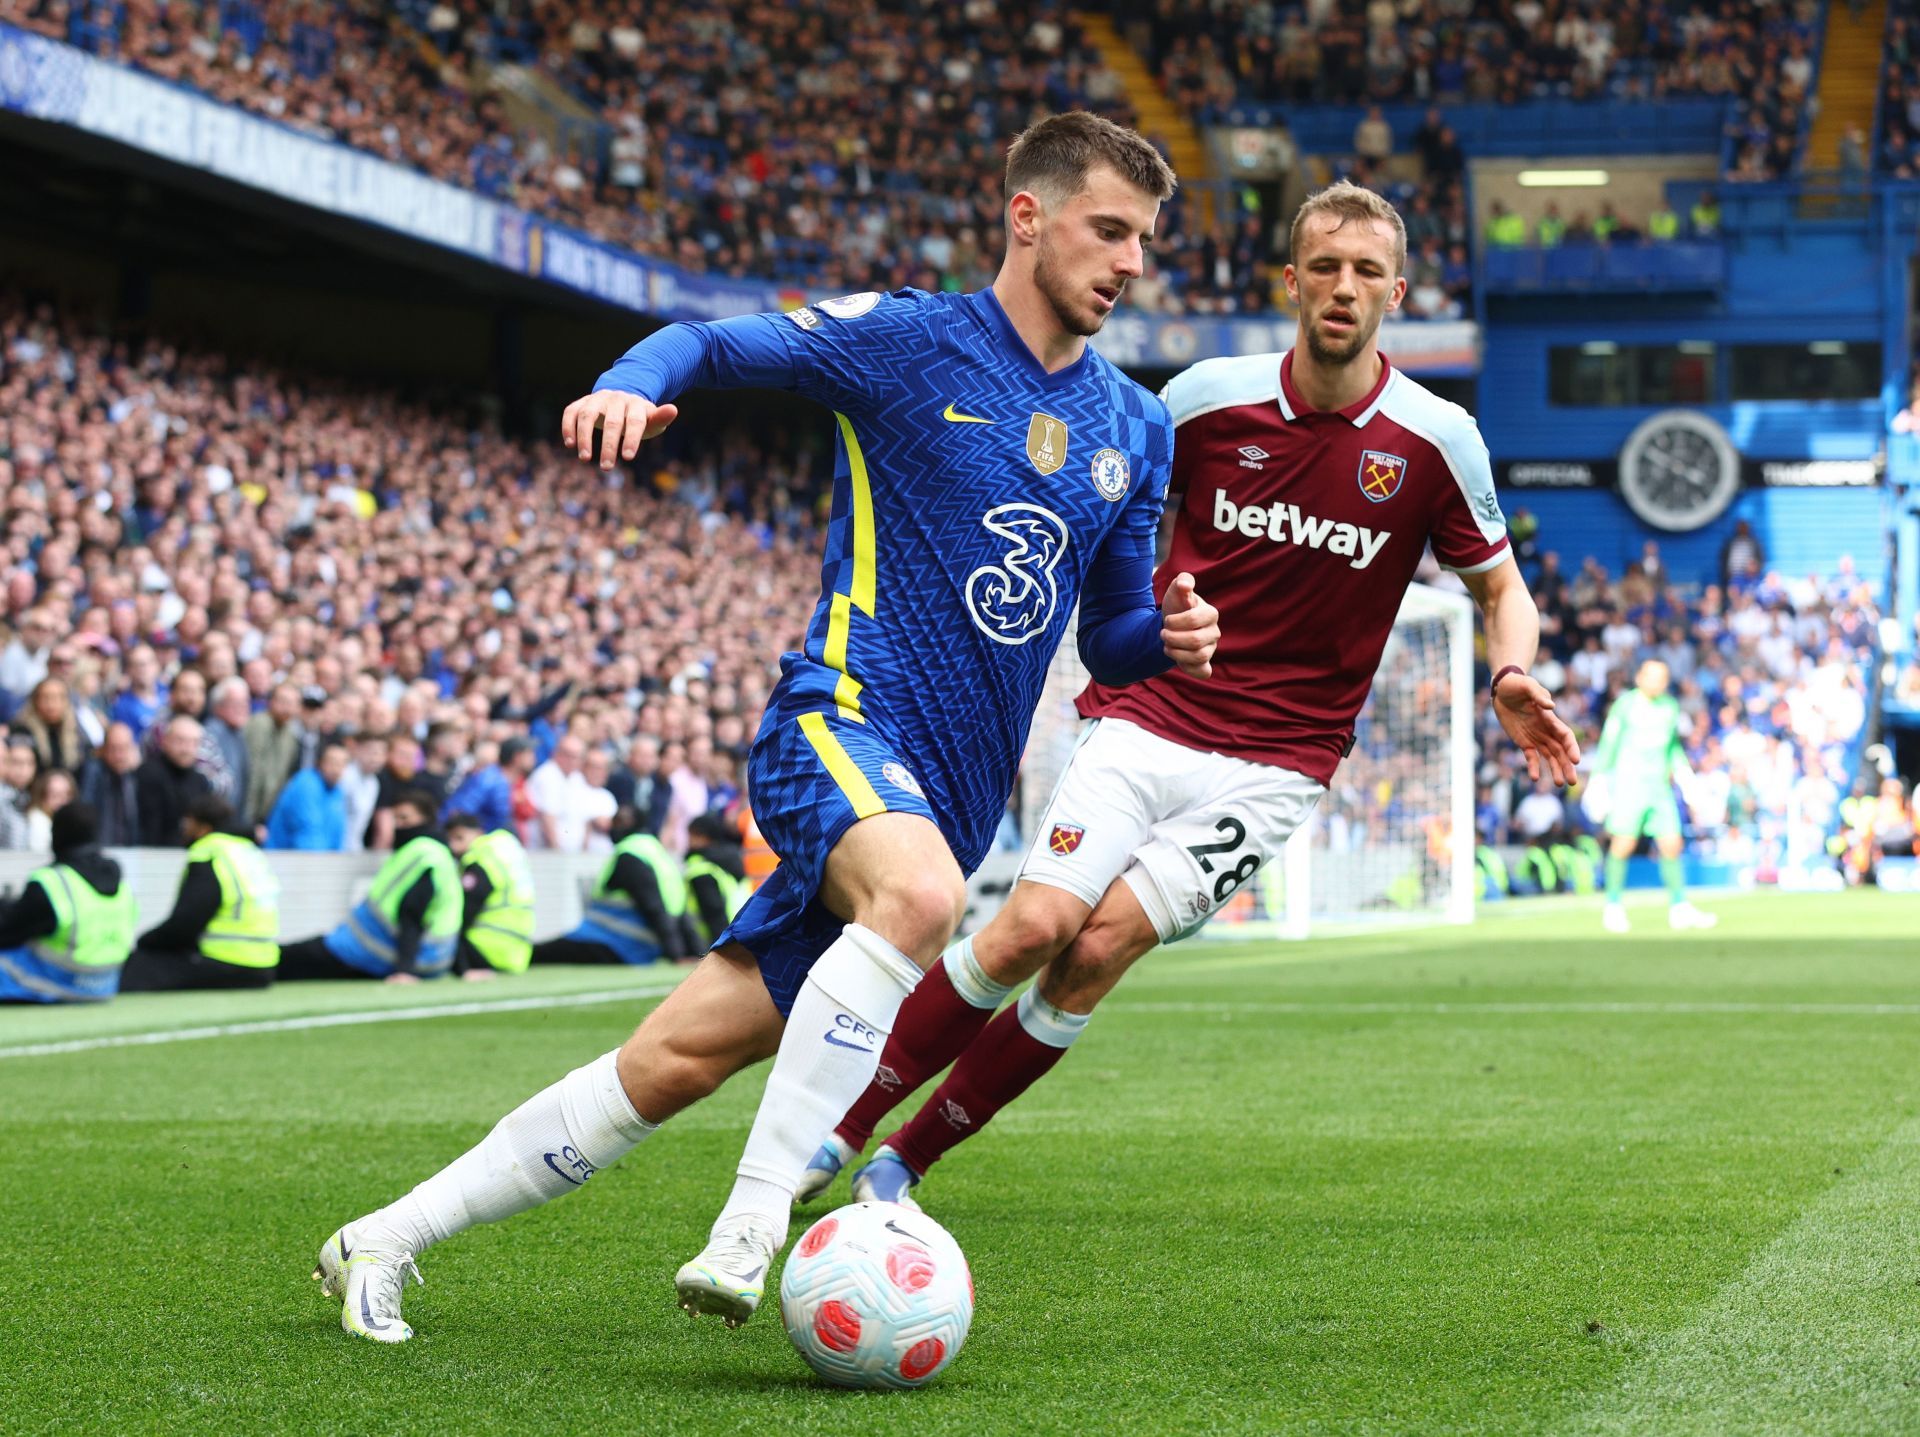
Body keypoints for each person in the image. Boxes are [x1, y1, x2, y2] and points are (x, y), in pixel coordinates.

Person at [312, 111, 1217, 1344]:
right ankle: (752, 1224)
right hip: (839, 718)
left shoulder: (1135, 425)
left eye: (1145, 242)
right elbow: (708, 343)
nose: (1129, 262)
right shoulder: (911, 342)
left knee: (673, 1061)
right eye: (1108, 230)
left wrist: (1162, 638)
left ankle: (383, 1239)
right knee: (924, 901)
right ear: (1027, 217)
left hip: (941, 802)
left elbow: (1106, 633)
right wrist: (632, 386)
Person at [798, 179, 1580, 1211]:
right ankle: (837, 1131)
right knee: (1033, 927)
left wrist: (1511, 672)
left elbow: (1500, 587)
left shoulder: (1439, 440)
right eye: (1326, 267)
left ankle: (905, 1162)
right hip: (1154, 713)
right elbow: (1106, 497)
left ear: (1399, 289)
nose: (1345, 288)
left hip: (1279, 764)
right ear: (1292, 282)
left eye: (1368, 271)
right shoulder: (1206, 397)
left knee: (1100, 951)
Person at [278, 790, 462, 980]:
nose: (399, 825)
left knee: (288, 958)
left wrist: (404, 970)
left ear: (425, 818)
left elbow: (412, 913)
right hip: (415, 957)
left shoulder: (422, 854)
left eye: (405, 817)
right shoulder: (437, 854)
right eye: (395, 818)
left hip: (372, 952)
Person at [1591, 659, 1716, 932]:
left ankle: (1679, 906)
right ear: (1639, 677)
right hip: (1629, 785)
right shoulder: (1626, 705)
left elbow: (1672, 748)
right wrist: (1599, 779)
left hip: (1660, 787)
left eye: (1663, 677)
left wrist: (1686, 777)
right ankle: (1612, 906)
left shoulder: (1669, 707)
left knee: (1672, 843)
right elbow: (1609, 742)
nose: (1658, 682)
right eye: (1653, 676)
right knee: (1623, 843)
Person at [119, 795, 280, 991]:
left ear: (203, 827)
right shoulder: (247, 850)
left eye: (188, 822)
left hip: (226, 961)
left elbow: (186, 923)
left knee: (133, 968)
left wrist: (145, 941)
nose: (184, 828)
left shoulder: (209, 853)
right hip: (264, 964)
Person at [0, 803, 137, 1003]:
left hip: (61, 981)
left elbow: (8, 931)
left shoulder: (53, 882)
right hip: (106, 983)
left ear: (57, 834)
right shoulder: (121, 882)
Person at [530, 805, 692, 965]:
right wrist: (691, 950)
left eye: (620, 822)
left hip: (614, 942)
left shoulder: (630, 855)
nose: (613, 827)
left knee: (542, 952)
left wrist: (676, 954)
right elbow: (678, 909)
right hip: (638, 945)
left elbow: (653, 906)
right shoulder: (656, 851)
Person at [444, 811, 536, 978]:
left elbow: (462, 916)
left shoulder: (480, 862)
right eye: (450, 840)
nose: (453, 846)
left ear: (478, 833)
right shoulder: (504, 852)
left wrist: (463, 968)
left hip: (484, 950)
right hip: (516, 953)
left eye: (459, 838)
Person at [136, 715, 214, 847]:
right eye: (180, 741)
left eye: (193, 742)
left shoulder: (200, 781)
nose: (186, 749)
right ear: (164, 741)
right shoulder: (148, 774)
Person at [264, 741, 350, 851]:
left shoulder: (337, 792)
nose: (337, 769)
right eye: (332, 762)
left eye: (342, 764)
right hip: (282, 860)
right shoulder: (306, 784)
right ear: (320, 763)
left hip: (319, 862)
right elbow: (308, 837)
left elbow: (337, 835)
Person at [683, 811, 748, 952]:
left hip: (723, 938)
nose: (688, 840)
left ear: (703, 836)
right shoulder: (732, 859)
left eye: (692, 835)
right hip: (744, 930)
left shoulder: (700, 868)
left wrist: (722, 949)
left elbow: (714, 913)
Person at [80, 721, 144, 847]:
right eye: (113, 748)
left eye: (124, 748)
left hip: (131, 852)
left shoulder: (137, 777)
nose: (119, 755)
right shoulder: (93, 772)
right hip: (99, 849)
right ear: (103, 749)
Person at [24, 768, 76, 851]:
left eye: (67, 795)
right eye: (55, 795)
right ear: (42, 796)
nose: (62, 801)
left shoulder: (70, 822)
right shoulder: (38, 821)